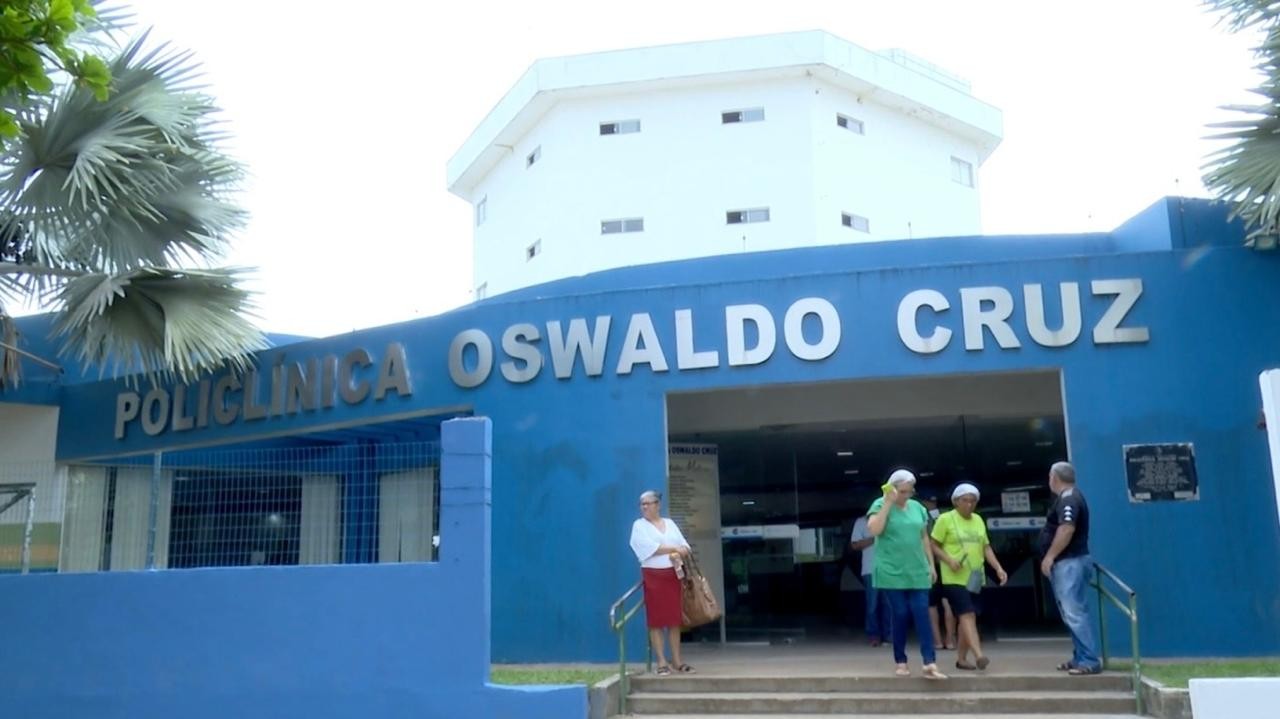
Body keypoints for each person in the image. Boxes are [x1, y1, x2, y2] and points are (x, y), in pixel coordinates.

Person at [867, 469, 948, 679]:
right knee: (900, 613)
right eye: (902, 492)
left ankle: (929, 662)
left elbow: (924, 538)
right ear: (893, 489)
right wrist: (887, 503)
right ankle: (900, 661)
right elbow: (874, 530)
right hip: (891, 570)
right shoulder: (879, 504)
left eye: (909, 492)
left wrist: (931, 564)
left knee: (922, 612)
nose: (906, 496)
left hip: (917, 569)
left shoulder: (918, 508)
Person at [931, 482, 1009, 671]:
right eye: (965, 501)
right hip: (954, 577)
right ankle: (979, 655)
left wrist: (998, 568)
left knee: (967, 618)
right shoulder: (945, 519)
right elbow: (933, 544)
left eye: (973, 501)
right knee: (968, 614)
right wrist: (948, 560)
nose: (969, 505)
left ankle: (961, 659)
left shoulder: (978, 520)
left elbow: (986, 547)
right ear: (956, 501)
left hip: (975, 577)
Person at [1038, 461, 1101, 675]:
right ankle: (1080, 657)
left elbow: (1066, 529)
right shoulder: (1069, 498)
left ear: (1053, 478)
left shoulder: (1068, 499)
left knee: (1074, 611)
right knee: (1070, 612)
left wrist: (1050, 557)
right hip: (1069, 562)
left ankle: (1089, 660)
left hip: (1070, 562)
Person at [629, 490, 696, 676]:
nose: (644, 507)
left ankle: (677, 660)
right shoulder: (639, 526)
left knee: (674, 620)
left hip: (673, 575)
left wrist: (679, 550)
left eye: (648, 503)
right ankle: (661, 661)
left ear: (657, 504)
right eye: (641, 504)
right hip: (654, 576)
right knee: (656, 620)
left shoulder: (670, 523)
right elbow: (648, 548)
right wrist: (674, 548)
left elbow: (685, 546)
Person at [920, 493, 957, 651]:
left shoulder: (922, 519)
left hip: (929, 565)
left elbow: (923, 541)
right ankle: (950, 639)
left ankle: (937, 640)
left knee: (931, 605)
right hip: (949, 564)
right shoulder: (948, 517)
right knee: (948, 603)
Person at [850, 508, 892, 647]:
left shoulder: (888, 520)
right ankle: (873, 635)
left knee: (888, 604)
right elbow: (855, 545)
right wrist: (875, 538)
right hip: (869, 569)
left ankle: (888, 636)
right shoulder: (861, 522)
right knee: (872, 605)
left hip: (888, 569)